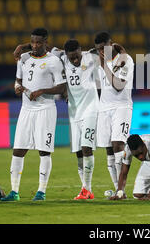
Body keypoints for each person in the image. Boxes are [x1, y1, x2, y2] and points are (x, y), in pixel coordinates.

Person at [0, 28, 67, 202]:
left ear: (46, 42)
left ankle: (41, 191)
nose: (35, 45)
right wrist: (17, 87)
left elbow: (62, 87)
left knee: (44, 151)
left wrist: (42, 91)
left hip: (45, 109)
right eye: (33, 42)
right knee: (18, 150)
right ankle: (14, 192)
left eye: (39, 42)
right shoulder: (23, 58)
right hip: (26, 110)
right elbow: (19, 80)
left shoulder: (54, 61)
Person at [56, 39, 100, 200]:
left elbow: (108, 48)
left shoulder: (91, 57)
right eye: (71, 58)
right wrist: (23, 47)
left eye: (77, 56)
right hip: (74, 111)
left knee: (86, 147)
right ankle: (86, 190)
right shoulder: (61, 58)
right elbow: (47, 47)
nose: (75, 60)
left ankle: (86, 189)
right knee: (79, 153)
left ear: (81, 50)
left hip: (91, 109)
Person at [94, 32, 134, 192]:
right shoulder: (99, 63)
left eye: (104, 48)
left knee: (118, 144)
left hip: (121, 107)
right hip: (104, 110)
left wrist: (104, 65)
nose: (101, 52)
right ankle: (117, 189)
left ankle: (121, 190)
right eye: (98, 50)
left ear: (111, 44)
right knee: (109, 149)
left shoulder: (125, 60)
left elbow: (119, 85)